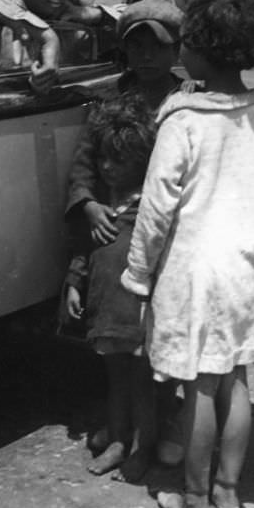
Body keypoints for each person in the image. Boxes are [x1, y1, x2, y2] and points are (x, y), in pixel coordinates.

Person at [121, 0, 254, 508]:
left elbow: (156, 208)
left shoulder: (183, 120)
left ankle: (194, 497)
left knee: (199, 384)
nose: (182, 53)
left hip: (199, 268)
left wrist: (138, 273)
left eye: (189, 43)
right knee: (236, 379)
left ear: (204, 51)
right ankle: (228, 494)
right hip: (251, 265)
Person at [65, 0, 187, 465]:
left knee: (160, 346)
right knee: (116, 344)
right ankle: (121, 430)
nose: (145, 56)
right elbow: (84, 166)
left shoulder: (185, 102)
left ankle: (159, 426)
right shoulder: (108, 102)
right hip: (112, 236)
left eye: (156, 46)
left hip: (166, 239)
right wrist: (90, 204)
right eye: (135, 45)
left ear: (175, 49)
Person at [64, 99, 157, 482]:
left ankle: (144, 448)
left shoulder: (152, 209)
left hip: (138, 314)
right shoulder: (104, 208)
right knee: (116, 381)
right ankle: (119, 441)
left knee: (143, 384)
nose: (106, 167)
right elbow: (87, 251)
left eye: (117, 161)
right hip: (107, 313)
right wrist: (74, 284)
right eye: (103, 158)